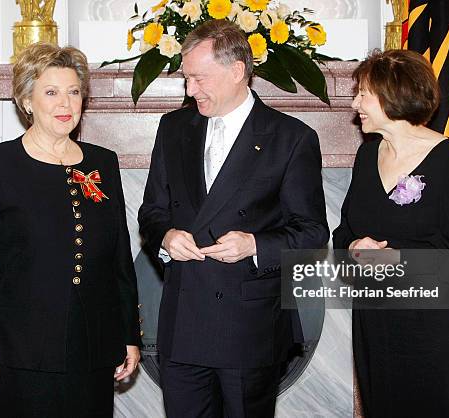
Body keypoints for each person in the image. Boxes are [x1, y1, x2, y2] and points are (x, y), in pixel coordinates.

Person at [138, 20, 329, 418]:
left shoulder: (291, 138)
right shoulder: (173, 128)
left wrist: (255, 245)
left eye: (198, 78)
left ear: (238, 71)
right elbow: (152, 211)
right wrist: (166, 237)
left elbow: (312, 233)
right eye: (187, 79)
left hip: (249, 328)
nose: (190, 90)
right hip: (183, 325)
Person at [0, 42, 141, 417]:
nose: (65, 104)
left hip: (92, 349)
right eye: (51, 92)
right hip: (17, 350)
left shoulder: (103, 163)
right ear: (26, 100)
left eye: (74, 92)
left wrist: (129, 336)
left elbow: (119, 257)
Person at [333, 49, 449, 417]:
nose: (355, 102)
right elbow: (343, 233)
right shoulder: (366, 156)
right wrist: (354, 246)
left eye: (363, 94)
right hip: (375, 326)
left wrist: (397, 260)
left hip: (430, 330)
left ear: (393, 95)